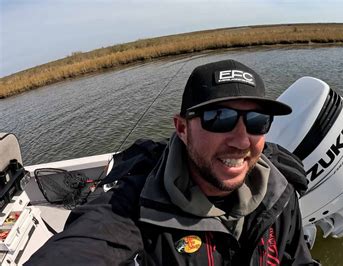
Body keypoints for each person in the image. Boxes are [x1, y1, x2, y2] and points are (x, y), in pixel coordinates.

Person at [27, 59, 317, 265]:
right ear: (182, 128)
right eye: (219, 119)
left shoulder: (280, 192)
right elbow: (81, 247)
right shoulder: (134, 207)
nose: (242, 141)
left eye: (257, 121)